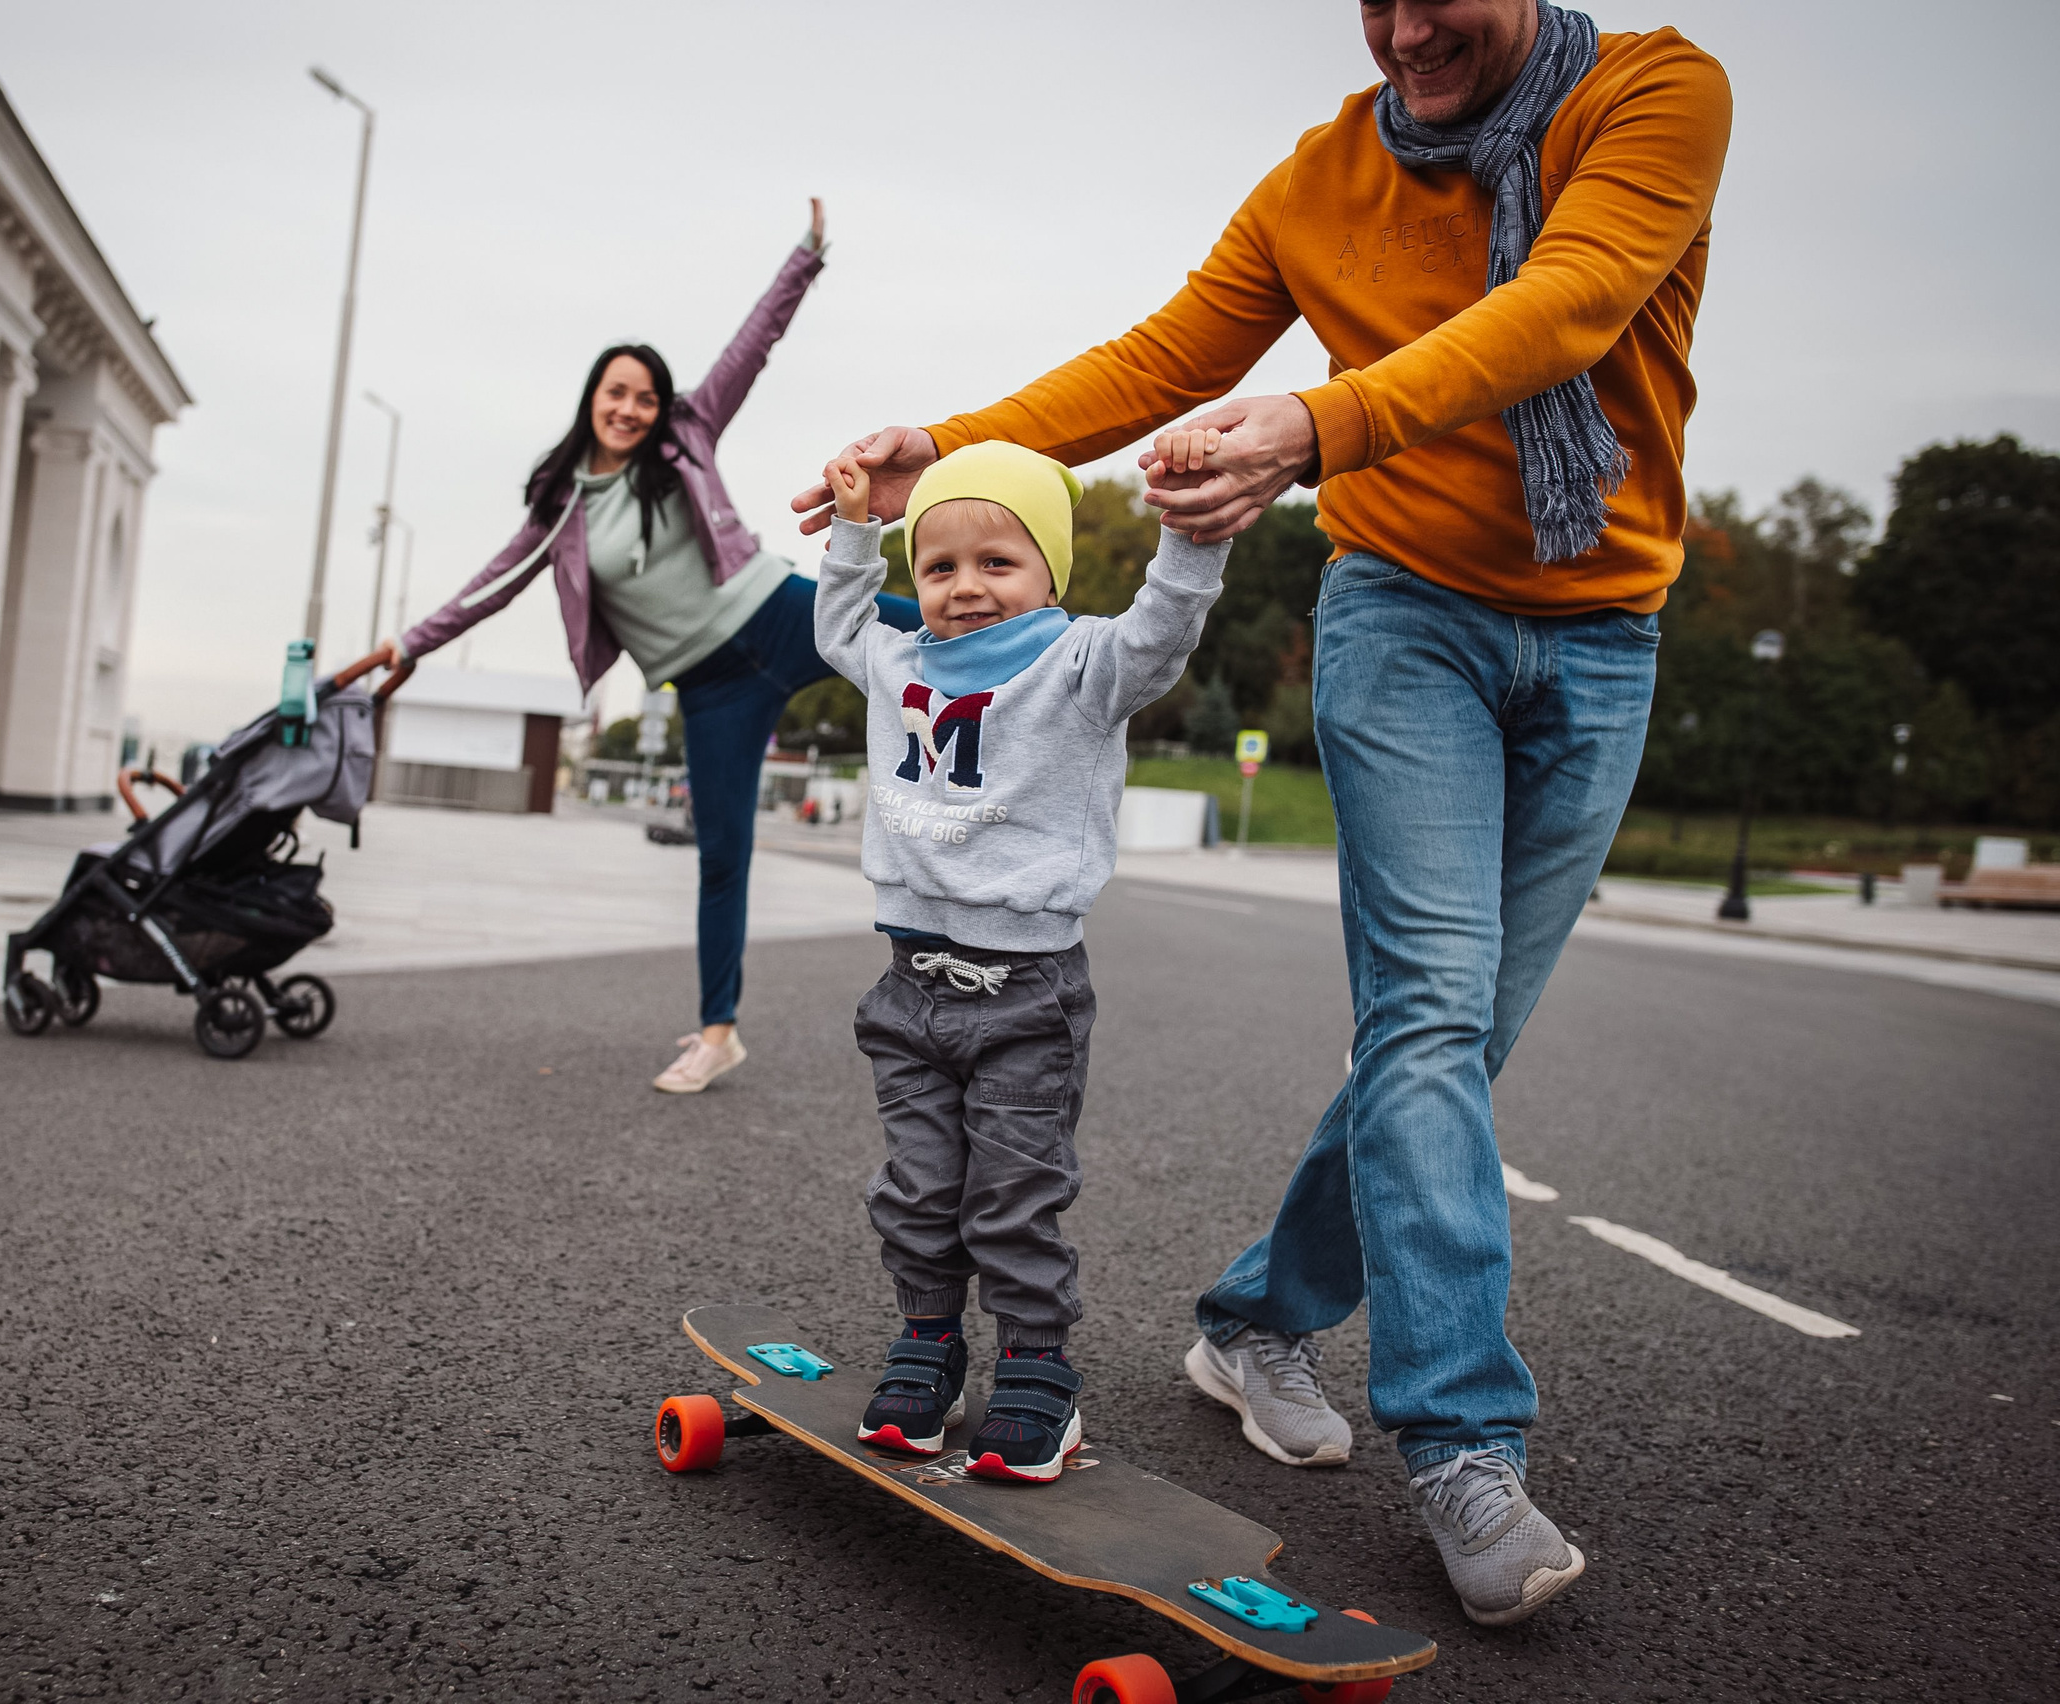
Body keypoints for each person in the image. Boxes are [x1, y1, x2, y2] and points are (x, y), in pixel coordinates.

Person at [793, 0, 1729, 1622]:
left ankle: (1256, 1321)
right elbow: (1161, 362)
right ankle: (1464, 1444)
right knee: (1430, 1018)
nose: (1406, 28)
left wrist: (1319, 421)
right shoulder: (1321, 180)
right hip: (1406, 615)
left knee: (1454, 1043)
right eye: (1372, 1)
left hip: (1604, 633)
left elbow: (1570, 302)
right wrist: (941, 447)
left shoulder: (1653, 92)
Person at [367, 201, 921, 1094]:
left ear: (661, 406)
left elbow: (751, 347)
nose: (630, 408)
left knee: (927, 623)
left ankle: (1048, 648)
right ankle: (718, 1032)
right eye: (616, 393)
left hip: (779, 612)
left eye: (644, 396)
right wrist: (408, 645)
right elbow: (489, 585)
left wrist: (806, 256)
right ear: (593, 398)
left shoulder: (687, 436)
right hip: (709, 688)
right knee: (721, 857)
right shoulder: (561, 506)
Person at [815, 438, 1228, 1483]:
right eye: (939, 566)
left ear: (1051, 571)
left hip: (1025, 995)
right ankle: (929, 1344)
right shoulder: (898, 662)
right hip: (908, 987)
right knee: (917, 1191)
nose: (965, 587)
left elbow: (1164, 629)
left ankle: (1039, 1367)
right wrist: (857, 531)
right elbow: (839, 625)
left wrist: (1190, 530)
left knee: (1012, 1198)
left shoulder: (1081, 665)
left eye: (997, 562)